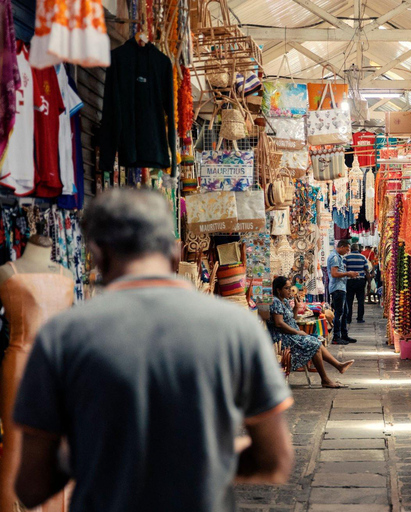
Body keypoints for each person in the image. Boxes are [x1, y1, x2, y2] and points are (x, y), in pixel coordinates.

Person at [12, 189, 294, 512]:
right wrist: (207, 461)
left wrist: (89, 456)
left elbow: (31, 486)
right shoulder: (237, 328)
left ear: (98, 255)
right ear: (176, 254)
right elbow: (275, 459)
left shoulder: (60, 337)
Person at [269, 276, 354, 388]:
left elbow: (292, 320)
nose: (289, 291)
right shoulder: (275, 302)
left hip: (292, 335)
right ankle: (326, 378)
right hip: (284, 338)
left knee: (315, 340)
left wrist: (296, 307)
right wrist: (297, 332)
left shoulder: (284, 301)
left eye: (290, 288)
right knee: (314, 344)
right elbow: (279, 323)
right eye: (286, 288)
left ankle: (337, 367)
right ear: (278, 290)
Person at [327, 240, 358, 345]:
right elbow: (334, 274)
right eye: (347, 249)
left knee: (344, 313)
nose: (348, 251)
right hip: (337, 288)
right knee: (339, 313)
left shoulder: (338, 257)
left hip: (341, 288)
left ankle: (344, 335)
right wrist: (348, 273)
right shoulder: (334, 257)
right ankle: (336, 337)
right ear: (341, 247)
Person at [344, 243, 370, 324]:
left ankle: (348, 319)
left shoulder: (346, 257)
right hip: (360, 281)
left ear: (351, 249)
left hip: (349, 281)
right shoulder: (363, 257)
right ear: (358, 249)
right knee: (361, 300)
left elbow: (343, 269)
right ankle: (360, 318)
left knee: (349, 300)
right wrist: (369, 282)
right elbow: (367, 271)